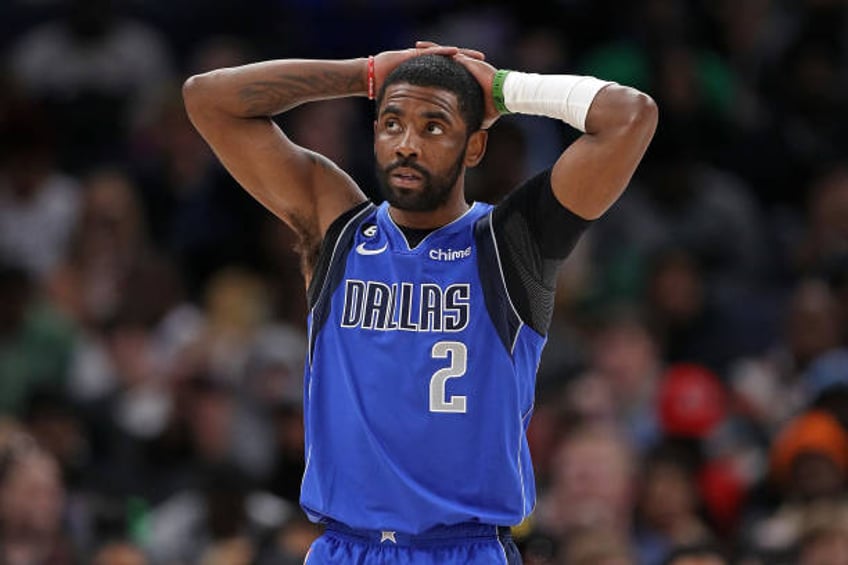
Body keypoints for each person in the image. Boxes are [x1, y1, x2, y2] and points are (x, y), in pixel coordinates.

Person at [183, 40, 657, 564]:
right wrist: (362, 74)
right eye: (391, 123)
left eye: (433, 127)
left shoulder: (509, 243)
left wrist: (503, 88)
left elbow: (631, 116)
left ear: (473, 147)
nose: (406, 143)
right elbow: (208, 98)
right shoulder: (337, 225)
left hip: (463, 548)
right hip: (345, 547)